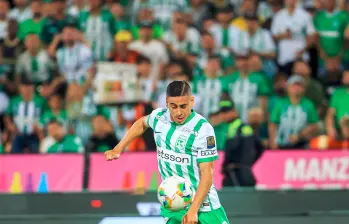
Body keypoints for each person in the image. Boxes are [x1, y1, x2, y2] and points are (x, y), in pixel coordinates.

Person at [105, 81, 230, 224]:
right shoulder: (159, 118)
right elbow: (141, 123)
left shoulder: (202, 129)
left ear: (192, 101)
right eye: (173, 106)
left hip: (204, 207)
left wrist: (193, 210)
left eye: (183, 106)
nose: (178, 112)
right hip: (173, 204)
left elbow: (207, 174)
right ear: (166, 102)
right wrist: (118, 148)